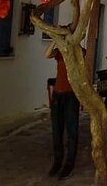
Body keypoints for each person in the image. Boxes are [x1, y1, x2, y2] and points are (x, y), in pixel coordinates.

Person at [44, 41, 84, 180]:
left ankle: (69, 163)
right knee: (57, 129)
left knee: (72, 130)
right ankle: (57, 161)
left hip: (71, 95)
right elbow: (46, 54)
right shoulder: (60, 52)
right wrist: (55, 41)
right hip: (58, 94)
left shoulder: (78, 51)